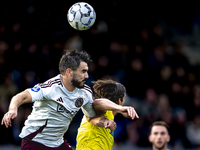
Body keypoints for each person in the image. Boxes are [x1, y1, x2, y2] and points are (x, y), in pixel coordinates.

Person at [1, 49, 138, 150]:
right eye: (83, 71)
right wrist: (12, 109)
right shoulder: (51, 87)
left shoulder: (84, 92)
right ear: (69, 72)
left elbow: (91, 117)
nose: (87, 75)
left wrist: (105, 122)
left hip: (58, 143)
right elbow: (21, 96)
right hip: (35, 141)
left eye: (87, 71)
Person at [76, 79, 139, 150]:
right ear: (119, 100)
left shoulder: (108, 116)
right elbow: (97, 103)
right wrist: (120, 108)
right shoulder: (103, 111)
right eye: (124, 98)